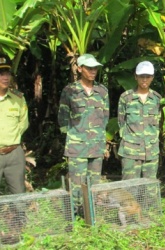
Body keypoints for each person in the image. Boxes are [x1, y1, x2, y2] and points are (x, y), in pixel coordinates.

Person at [58, 53, 109, 216]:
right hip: (77, 147)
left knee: (94, 184)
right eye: (89, 68)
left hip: (96, 146)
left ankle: (90, 215)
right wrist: (73, 137)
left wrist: (102, 140)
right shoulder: (70, 91)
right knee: (76, 184)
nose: (93, 71)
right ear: (79, 69)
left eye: (95, 68)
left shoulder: (102, 91)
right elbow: (63, 118)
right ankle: (73, 217)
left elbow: (105, 118)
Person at [0, 54, 29, 236]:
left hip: (13, 154)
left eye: (7, 73)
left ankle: (18, 230)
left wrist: (11, 140)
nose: (5, 77)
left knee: (18, 193)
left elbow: (23, 123)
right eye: (0, 73)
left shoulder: (18, 99)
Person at [117, 61, 162, 180]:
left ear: (152, 78)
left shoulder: (157, 99)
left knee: (150, 189)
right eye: (142, 76)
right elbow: (121, 122)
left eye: (148, 76)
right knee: (129, 188)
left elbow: (159, 124)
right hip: (130, 152)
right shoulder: (126, 98)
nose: (144, 80)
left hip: (151, 152)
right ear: (136, 77)